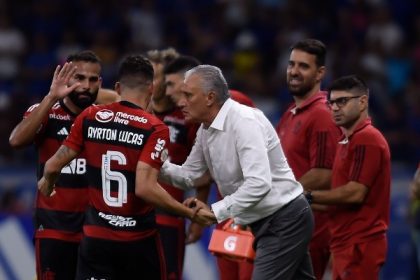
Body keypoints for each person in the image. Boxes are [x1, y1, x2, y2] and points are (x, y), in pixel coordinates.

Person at [37, 54, 209, 279]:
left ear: (117, 87)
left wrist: (48, 183)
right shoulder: (154, 128)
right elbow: (145, 188)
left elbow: (51, 166)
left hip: (96, 238)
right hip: (137, 239)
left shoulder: (90, 116)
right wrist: (189, 213)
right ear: (152, 87)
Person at [159, 64, 315, 280]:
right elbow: (190, 175)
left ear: (210, 97)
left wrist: (216, 211)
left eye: (188, 95)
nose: (181, 101)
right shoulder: (206, 128)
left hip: (284, 219)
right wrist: (153, 163)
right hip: (266, 219)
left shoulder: (244, 121)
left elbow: (259, 183)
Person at [9, 50, 102, 280]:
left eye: (92, 80)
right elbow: (16, 140)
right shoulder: (47, 112)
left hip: (96, 231)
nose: (86, 86)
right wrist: (51, 97)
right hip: (54, 230)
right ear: (65, 78)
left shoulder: (106, 118)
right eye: (79, 78)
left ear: (100, 82)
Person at [305, 75, 391, 279]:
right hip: (345, 244)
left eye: (342, 101)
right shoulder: (346, 141)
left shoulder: (366, 138)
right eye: (331, 102)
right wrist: (295, 200)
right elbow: (337, 201)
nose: (334, 108)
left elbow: (354, 194)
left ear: (362, 102)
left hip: (360, 244)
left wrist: (307, 196)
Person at [276, 38, 341, 279]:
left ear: (319, 73)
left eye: (303, 66)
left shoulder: (322, 115)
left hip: (310, 234)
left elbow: (324, 174)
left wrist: (277, 196)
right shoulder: (291, 113)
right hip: (288, 228)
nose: (294, 71)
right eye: (291, 64)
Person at [148, 51, 206, 280]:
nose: (153, 83)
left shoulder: (187, 117)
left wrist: (197, 219)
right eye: (148, 76)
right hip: (133, 213)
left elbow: (204, 171)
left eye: (159, 77)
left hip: (170, 215)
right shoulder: (134, 112)